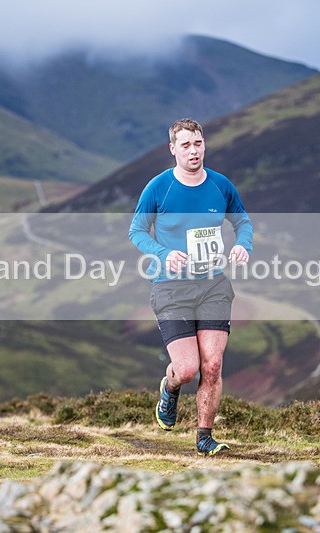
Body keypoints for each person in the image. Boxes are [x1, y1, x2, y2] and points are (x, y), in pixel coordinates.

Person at [129, 118, 253, 456]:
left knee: (212, 365)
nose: (193, 150)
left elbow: (242, 220)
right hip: (171, 289)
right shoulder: (159, 188)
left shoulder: (220, 185)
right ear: (173, 149)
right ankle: (169, 389)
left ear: (204, 144)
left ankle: (204, 438)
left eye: (197, 143)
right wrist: (163, 252)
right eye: (185, 145)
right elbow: (136, 231)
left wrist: (244, 245)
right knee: (187, 369)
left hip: (213, 286)